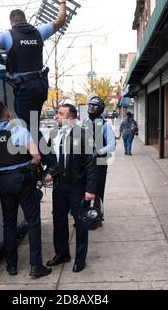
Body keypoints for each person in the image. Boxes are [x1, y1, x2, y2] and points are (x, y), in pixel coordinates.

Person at [0, 101, 51, 278]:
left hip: (3, 183)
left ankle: (11, 266)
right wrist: (31, 168)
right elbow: (36, 157)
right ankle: (36, 266)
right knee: (33, 222)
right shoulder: (18, 130)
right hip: (22, 180)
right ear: (6, 113)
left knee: (9, 224)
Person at [0, 0, 68, 131]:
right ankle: (38, 151)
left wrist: (4, 47)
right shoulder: (39, 32)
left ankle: (41, 153)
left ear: (11, 23)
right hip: (40, 88)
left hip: (25, 90)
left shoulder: (7, 35)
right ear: (25, 19)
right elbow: (61, 20)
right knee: (33, 126)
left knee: (28, 129)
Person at [44, 104, 98, 273]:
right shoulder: (54, 134)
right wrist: (49, 172)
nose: (56, 117)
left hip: (77, 188)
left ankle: (80, 259)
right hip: (59, 187)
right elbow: (51, 158)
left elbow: (91, 165)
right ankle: (62, 254)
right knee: (59, 221)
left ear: (70, 118)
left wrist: (90, 189)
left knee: (81, 222)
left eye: (60, 114)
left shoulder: (83, 136)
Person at [81, 96, 116, 219]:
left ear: (100, 109)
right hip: (85, 162)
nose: (91, 107)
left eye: (94, 105)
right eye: (90, 104)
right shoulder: (83, 123)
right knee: (84, 187)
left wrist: (98, 151)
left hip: (100, 161)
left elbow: (112, 144)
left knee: (99, 189)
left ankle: (97, 215)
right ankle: (83, 214)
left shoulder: (105, 125)